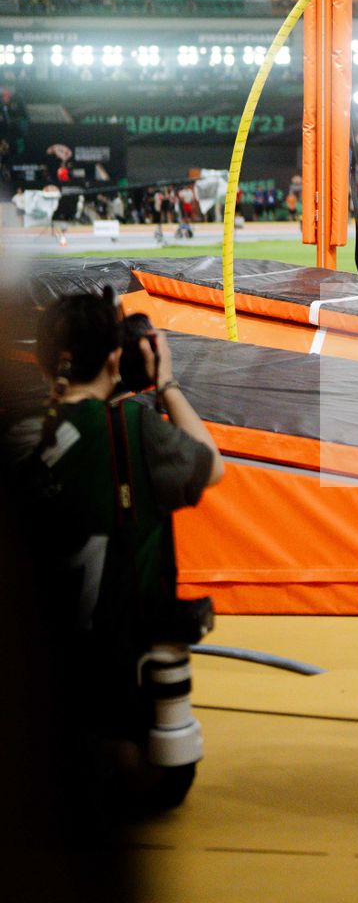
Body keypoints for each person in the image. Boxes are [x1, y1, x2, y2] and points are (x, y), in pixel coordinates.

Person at [6, 290, 224, 814]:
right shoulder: (132, 432)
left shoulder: (17, 435)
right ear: (114, 359)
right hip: (125, 722)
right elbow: (210, 466)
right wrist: (165, 382)